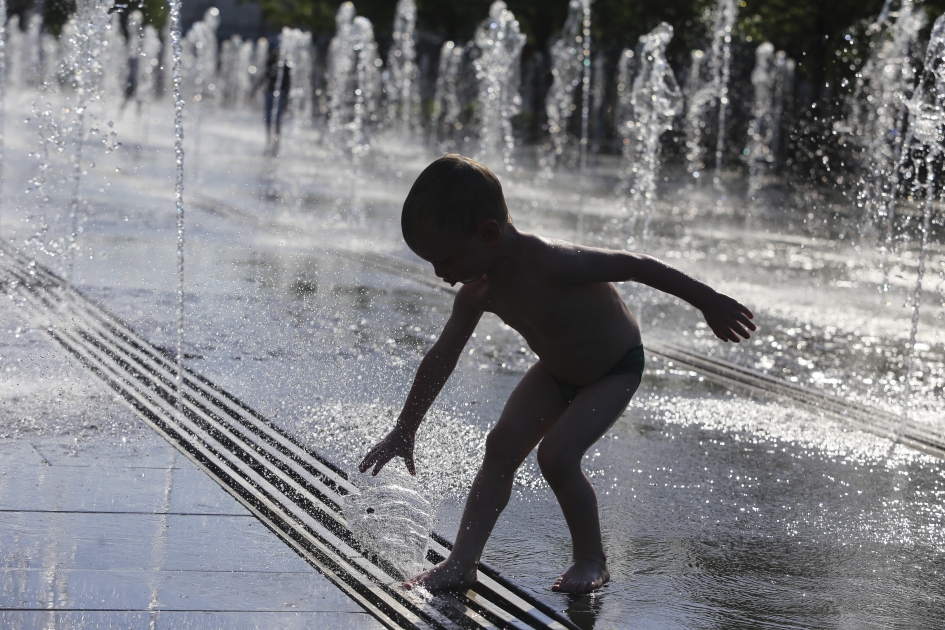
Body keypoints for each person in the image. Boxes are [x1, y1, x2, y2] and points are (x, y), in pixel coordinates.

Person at [358, 155, 756, 594]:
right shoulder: (478, 293)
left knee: (557, 455)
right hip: (556, 371)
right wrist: (405, 427)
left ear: (488, 234)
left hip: (614, 368)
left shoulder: (553, 261)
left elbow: (635, 265)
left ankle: (591, 560)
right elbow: (441, 358)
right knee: (501, 447)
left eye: (446, 260)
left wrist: (708, 300)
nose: (440, 273)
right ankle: (461, 563)